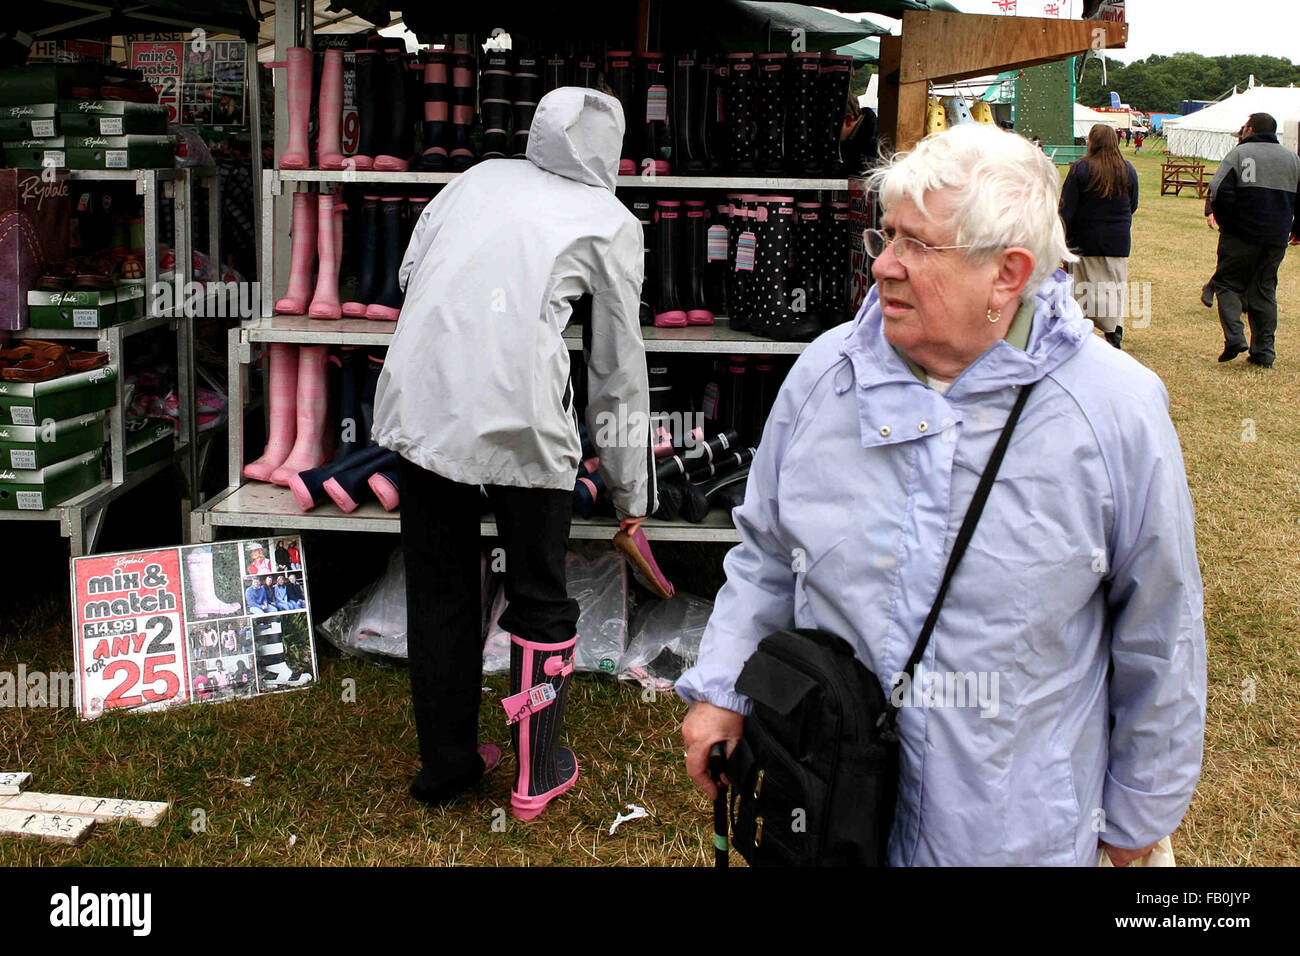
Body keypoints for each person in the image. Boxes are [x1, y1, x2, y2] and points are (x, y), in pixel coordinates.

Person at [678, 123, 1206, 866]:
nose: (885, 266)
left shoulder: (1114, 410)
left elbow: (1161, 628)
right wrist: (723, 690)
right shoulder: (829, 373)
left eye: (919, 246)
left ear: (1008, 274)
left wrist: (1138, 818)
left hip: (1009, 833)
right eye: (886, 235)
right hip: (826, 811)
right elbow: (766, 551)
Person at [372, 87, 656, 817]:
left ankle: (447, 768)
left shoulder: (475, 179)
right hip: (522, 419)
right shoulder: (611, 221)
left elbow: (410, 276)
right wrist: (631, 498)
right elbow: (616, 371)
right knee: (538, 592)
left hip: (424, 401)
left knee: (439, 586)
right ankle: (537, 770)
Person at [1204, 112, 1300, 368]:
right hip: (1276, 236)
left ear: (1251, 129)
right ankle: (1264, 352)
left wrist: (1228, 221)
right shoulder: (1293, 158)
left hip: (1240, 234)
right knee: (1264, 290)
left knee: (1226, 284)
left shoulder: (1239, 154)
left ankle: (1235, 337)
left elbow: (1217, 190)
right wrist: (1296, 228)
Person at [1059, 124, 1139, 348]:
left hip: (1085, 240)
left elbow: (1067, 208)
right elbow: (1133, 204)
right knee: (1112, 288)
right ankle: (1114, 329)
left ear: (1091, 141)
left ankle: (1082, 331)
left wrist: (1062, 240)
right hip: (1117, 242)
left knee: (1082, 290)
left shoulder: (1081, 169)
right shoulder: (1128, 169)